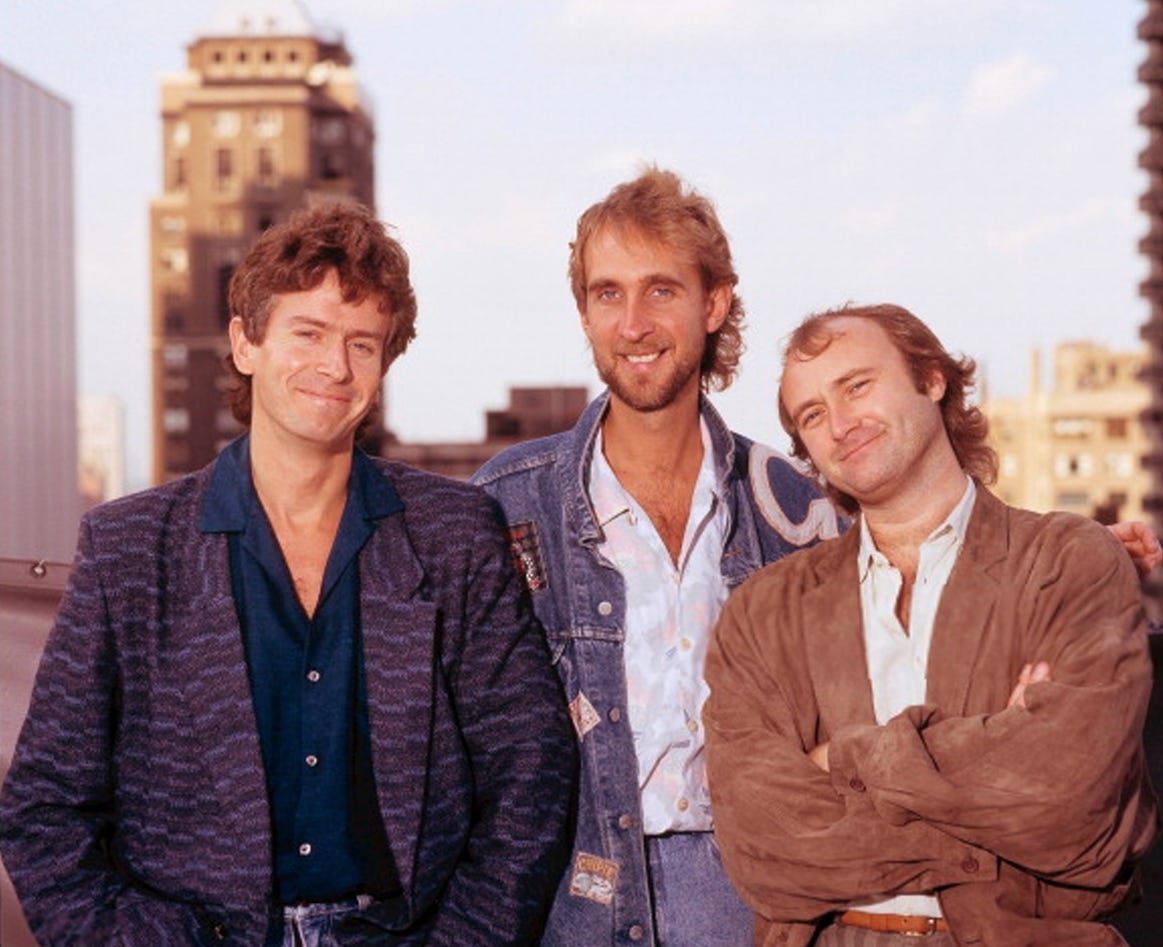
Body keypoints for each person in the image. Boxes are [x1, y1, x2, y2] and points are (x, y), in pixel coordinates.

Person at [0, 202, 576, 947]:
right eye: (308, 333)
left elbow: (530, 771)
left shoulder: (453, 533)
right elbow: (44, 806)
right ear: (245, 342)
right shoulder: (128, 548)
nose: (335, 366)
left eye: (362, 343)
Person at [704, 302, 1159, 947]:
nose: (839, 424)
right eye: (812, 415)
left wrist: (841, 761)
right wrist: (989, 793)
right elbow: (761, 848)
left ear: (932, 378)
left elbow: (1073, 811)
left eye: (857, 386)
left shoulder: (1069, 562)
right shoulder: (763, 612)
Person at [471, 168, 842, 947]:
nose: (633, 324)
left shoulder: (790, 507)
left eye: (661, 290)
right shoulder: (507, 504)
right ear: (584, 312)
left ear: (714, 304)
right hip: (567, 900)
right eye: (607, 294)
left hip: (744, 895)